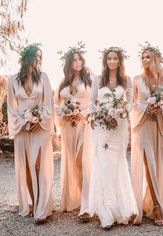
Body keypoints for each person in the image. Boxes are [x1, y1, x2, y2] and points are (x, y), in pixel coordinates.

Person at [87, 46, 137, 229]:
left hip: (120, 126)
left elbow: (130, 103)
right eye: (109, 58)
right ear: (105, 61)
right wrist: (102, 115)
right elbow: (91, 103)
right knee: (104, 165)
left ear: (120, 61)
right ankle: (106, 212)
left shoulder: (127, 80)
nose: (112, 61)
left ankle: (121, 209)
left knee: (117, 164)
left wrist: (118, 113)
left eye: (115, 58)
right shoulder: (98, 80)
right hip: (101, 127)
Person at [7, 43, 54, 224]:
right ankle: (34, 203)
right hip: (21, 128)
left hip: (40, 128)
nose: (37, 60)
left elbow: (48, 104)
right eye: (34, 56)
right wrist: (23, 122)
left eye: (39, 57)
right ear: (25, 57)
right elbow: (11, 108)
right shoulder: (13, 80)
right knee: (26, 166)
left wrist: (38, 120)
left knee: (38, 165)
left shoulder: (44, 78)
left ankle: (42, 208)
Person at [130, 42, 163, 226]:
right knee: (149, 164)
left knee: (159, 165)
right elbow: (132, 104)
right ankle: (156, 207)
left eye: (148, 56)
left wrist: (160, 108)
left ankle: (154, 200)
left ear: (155, 59)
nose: (145, 59)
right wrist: (146, 107)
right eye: (143, 57)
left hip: (159, 127)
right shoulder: (136, 79)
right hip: (142, 126)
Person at [54, 43, 92, 214]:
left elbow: (95, 102)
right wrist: (65, 113)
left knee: (83, 160)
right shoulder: (63, 82)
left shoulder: (89, 79)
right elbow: (55, 104)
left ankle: (86, 204)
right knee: (71, 161)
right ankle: (74, 198)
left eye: (79, 59)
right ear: (69, 63)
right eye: (74, 60)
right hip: (69, 126)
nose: (77, 62)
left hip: (85, 125)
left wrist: (82, 113)